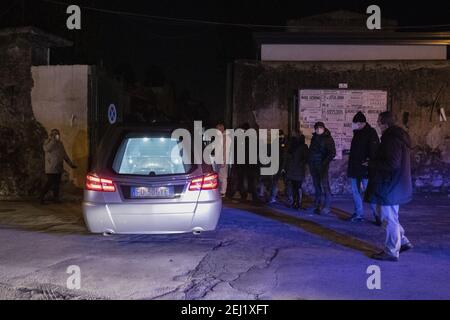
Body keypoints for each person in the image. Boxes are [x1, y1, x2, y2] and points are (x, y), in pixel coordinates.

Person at [365, 111, 414, 262]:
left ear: (385, 124)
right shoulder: (397, 137)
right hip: (396, 184)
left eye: (379, 122)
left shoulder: (391, 139)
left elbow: (392, 163)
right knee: (391, 216)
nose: (377, 124)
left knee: (388, 219)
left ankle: (392, 251)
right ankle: (403, 241)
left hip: (391, 185)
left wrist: (371, 163)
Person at [347, 111, 381, 225]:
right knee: (355, 192)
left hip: (365, 169)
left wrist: (370, 163)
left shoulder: (371, 133)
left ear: (363, 123)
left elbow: (375, 150)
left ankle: (378, 216)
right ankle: (358, 214)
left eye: (357, 123)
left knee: (370, 192)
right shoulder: (357, 133)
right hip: (354, 168)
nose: (355, 125)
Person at [39, 129, 77, 204]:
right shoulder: (48, 143)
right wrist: (53, 141)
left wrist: (70, 164)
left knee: (56, 184)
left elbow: (64, 155)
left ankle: (55, 198)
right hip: (51, 168)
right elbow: (46, 149)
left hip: (58, 167)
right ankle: (41, 197)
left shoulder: (60, 144)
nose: (57, 136)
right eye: (55, 134)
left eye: (58, 134)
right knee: (49, 183)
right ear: (52, 135)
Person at [309, 122, 336, 215]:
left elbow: (332, 153)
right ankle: (317, 205)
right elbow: (311, 151)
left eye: (320, 128)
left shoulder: (328, 139)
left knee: (325, 186)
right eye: (316, 128)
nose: (318, 129)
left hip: (322, 166)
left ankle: (327, 207)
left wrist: (324, 163)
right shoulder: (314, 138)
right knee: (317, 186)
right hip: (313, 165)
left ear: (324, 128)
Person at [284, 134, 309, 210]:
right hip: (291, 170)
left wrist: (301, 164)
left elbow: (306, 158)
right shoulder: (290, 146)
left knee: (297, 187)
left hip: (298, 170)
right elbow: (287, 157)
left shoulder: (303, 147)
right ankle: (295, 202)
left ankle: (297, 203)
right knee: (293, 187)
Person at [268, 130, 287, 204]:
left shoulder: (284, 144)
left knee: (280, 182)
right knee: (274, 182)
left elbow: (284, 156)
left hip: (281, 165)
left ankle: (274, 196)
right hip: (276, 165)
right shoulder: (276, 143)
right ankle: (273, 196)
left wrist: (283, 167)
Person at [212, 122, 231, 198]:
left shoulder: (225, 137)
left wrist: (223, 160)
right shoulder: (220, 137)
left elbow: (225, 150)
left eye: (217, 129)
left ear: (221, 128)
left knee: (223, 176)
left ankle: (223, 192)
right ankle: (220, 191)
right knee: (219, 176)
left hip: (222, 159)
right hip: (218, 159)